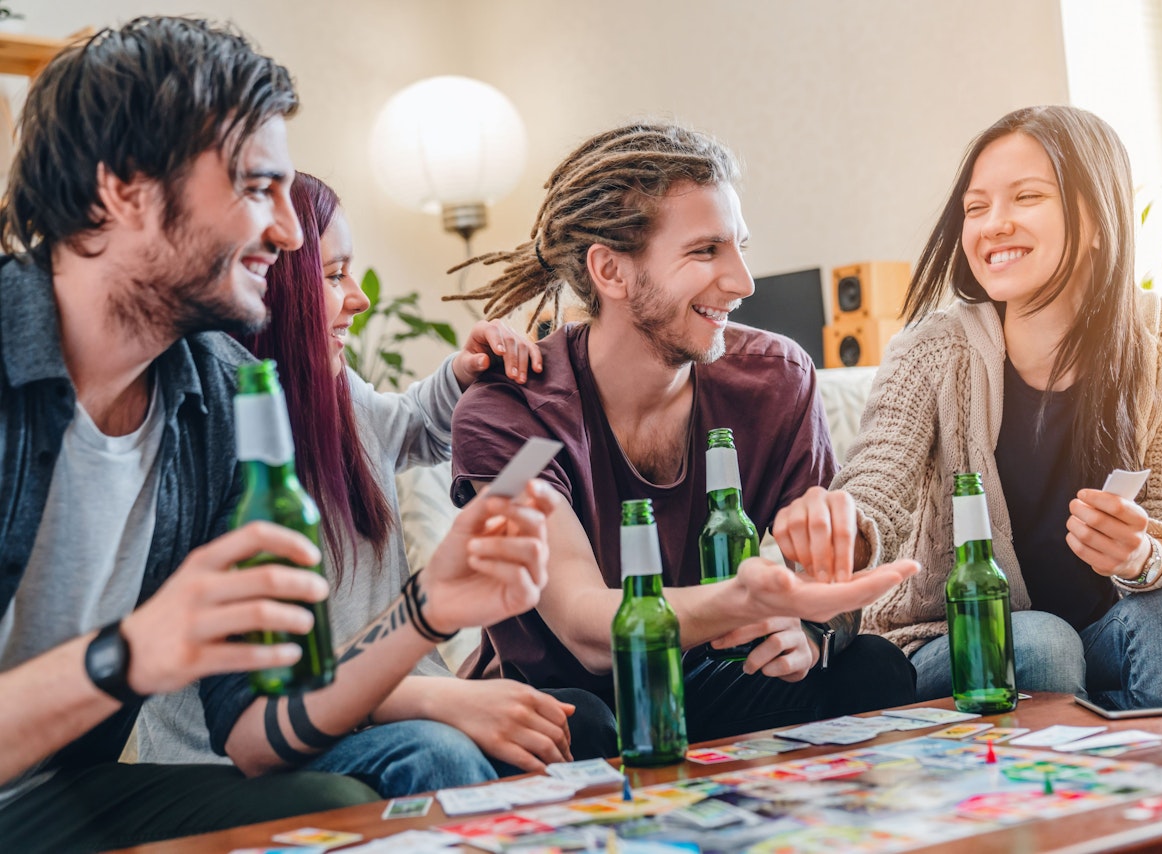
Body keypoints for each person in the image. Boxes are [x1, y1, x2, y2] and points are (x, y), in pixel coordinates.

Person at [0, 17, 555, 852]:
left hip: (50, 797)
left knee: (331, 804)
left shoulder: (221, 394)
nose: (290, 232)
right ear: (124, 190)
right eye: (259, 188)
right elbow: (142, 660)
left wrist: (428, 609)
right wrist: (132, 652)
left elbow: (257, 733)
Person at [448, 122, 919, 744]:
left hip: (705, 678)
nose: (743, 282)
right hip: (572, 704)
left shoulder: (774, 379)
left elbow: (826, 591)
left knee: (872, 668)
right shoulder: (513, 411)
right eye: (705, 251)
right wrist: (743, 601)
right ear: (611, 271)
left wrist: (812, 627)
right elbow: (586, 629)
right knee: (581, 724)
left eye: (739, 247)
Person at [137, 172, 617, 780]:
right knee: (437, 753)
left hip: (389, 705)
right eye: (335, 276)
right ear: (271, 287)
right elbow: (266, 694)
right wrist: (437, 695)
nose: (359, 299)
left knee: (583, 721)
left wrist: (465, 373)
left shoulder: (339, 395)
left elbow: (411, 424)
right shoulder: (214, 443)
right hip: (248, 750)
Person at [826, 105, 1162, 702]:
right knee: (1041, 643)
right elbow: (875, 487)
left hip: (1105, 636)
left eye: (1026, 197)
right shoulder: (930, 351)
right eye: (976, 208)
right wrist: (841, 529)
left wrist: (1141, 555)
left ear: (1097, 218)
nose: (993, 225)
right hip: (952, 641)